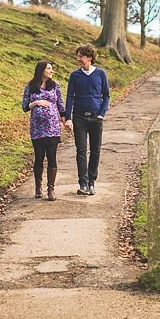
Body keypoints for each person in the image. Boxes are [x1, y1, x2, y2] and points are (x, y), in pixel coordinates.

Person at [64, 43, 110, 196]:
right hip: (79, 118)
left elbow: (106, 95)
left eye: (81, 56)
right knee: (81, 151)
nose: (78, 59)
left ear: (89, 58)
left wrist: (102, 113)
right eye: (78, 56)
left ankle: (92, 182)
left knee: (95, 151)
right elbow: (70, 97)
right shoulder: (75, 76)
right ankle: (82, 183)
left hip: (96, 118)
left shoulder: (101, 74)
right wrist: (68, 118)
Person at [22, 60, 67, 201]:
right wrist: (35, 103)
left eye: (51, 69)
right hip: (37, 128)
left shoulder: (55, 86)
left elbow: (60, 104)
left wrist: (65, 119)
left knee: (52, 157)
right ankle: (38, 187)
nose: (51, 71)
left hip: (53, 128)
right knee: (39, 158)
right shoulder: (30, 86)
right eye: (49, 69)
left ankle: (51, 189)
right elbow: (24, 107)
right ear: (41, 70)